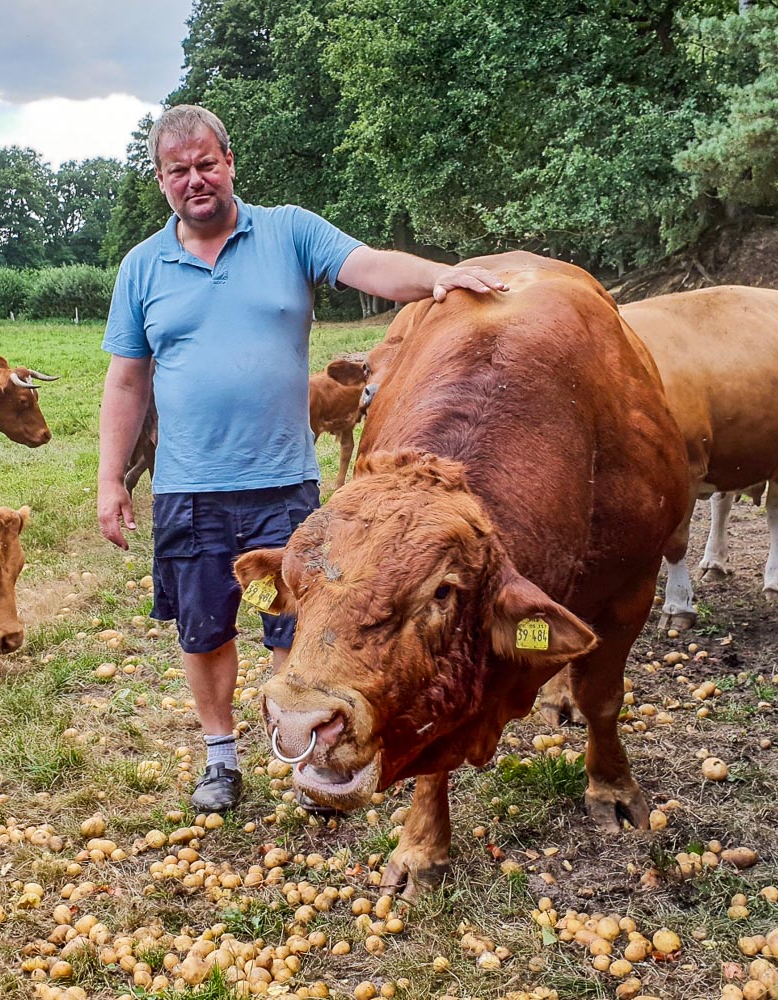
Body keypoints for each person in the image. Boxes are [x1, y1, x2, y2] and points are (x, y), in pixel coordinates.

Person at [97, 104, 506, 813]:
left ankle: (303, 744)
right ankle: (220, 756)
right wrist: (110, 479)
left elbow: (368, 266)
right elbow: (128, 380)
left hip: (284, 483)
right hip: (189, 489)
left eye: (206, 164)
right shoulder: (141, 267)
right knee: (203, 629)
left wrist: (439, 277)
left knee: (299, 627)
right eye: (178, 171)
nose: (196, 180)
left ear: (229, 161)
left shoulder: (287, 230)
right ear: (160, 180)